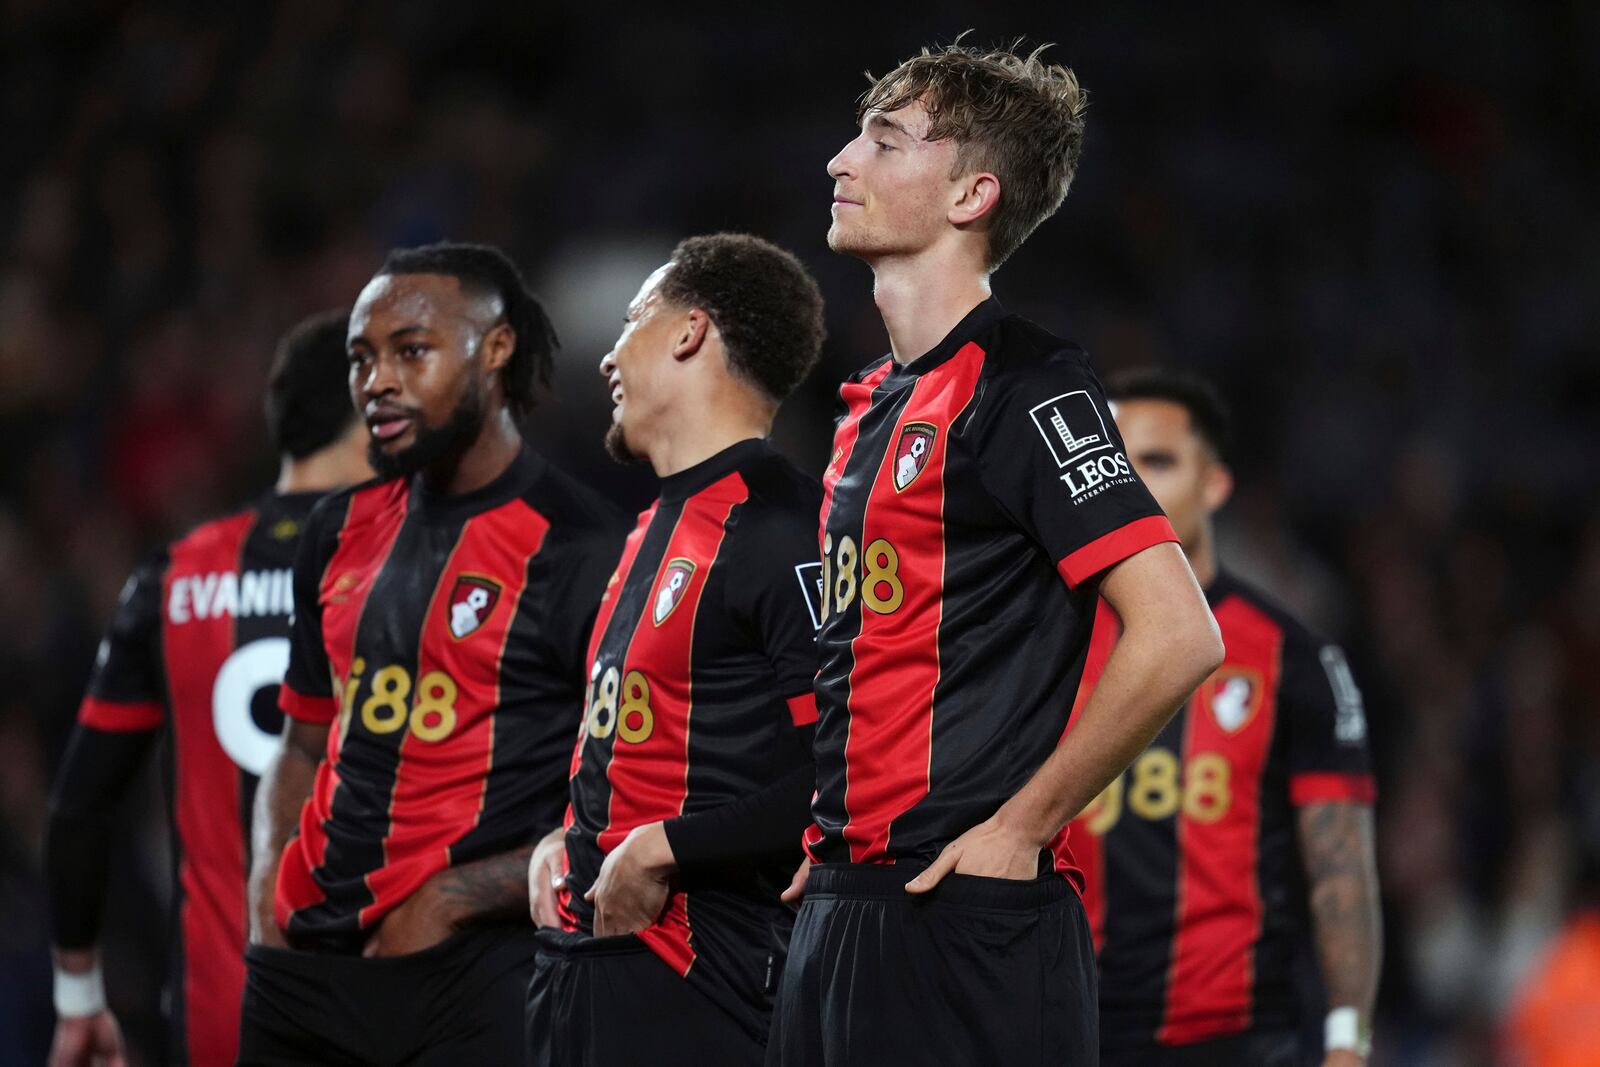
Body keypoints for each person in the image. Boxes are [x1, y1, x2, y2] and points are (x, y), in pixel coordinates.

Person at [766, 41, 1224, 1066]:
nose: (841, 160)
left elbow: (1176, 632)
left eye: (884, 141)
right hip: (845, 901)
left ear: (972, 192)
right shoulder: (866, 404)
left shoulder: (1026, 386)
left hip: (965, 915)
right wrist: (831, 842)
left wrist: (1023, 825)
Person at [241, 242, 626, 1065]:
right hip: (300, 969)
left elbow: (627, 794)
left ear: (496, 349)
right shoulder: (335, 529)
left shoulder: (586, 549)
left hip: (471, 972)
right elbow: (303, 740)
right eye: (361, 357)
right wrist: (266, 886)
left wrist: (454, 898)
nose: (377, 380)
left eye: (410, 351)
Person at [524, 233, 827, 1067]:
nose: (609, 356)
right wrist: (570, 835)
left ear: (690, 332)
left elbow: (840, 771)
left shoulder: (780, 527)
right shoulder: (648, 529)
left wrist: (666, 845)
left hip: (699, 982)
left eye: (631, 320)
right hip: (585, 966)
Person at [44, 309, 373, 1067]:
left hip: (221, 1019)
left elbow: (78, 806)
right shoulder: (406, 564)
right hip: (382, 1017)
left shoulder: (173, 575)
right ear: (367, 410)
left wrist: (78, 998)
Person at [1072, 369, 1381, 1067]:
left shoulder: (1293, 656)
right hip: (1069, 1031)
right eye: (1116, 462)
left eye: (1159, 460)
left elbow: (1341, 867)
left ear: (1214, 485)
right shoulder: (1046, 643)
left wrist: (1348, 1041)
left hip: (1237, 1039)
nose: (1132, 482)